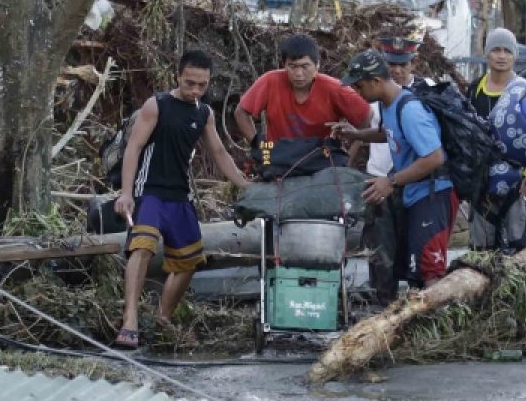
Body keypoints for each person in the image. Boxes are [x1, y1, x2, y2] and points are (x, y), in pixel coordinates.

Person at [113, 50, 251, 349]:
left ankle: (163, 319)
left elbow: (219, 153)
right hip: (148, 190)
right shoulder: (157, 105)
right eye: (190, 83)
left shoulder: (204, 113)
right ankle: (131, 318)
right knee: (143, 247)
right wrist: (126, 193)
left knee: (189, 260)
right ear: (178, 76)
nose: (195, 90)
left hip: (179, 195)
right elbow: (134, 148)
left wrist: (244, 184)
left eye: (202, 85)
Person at [332, 50, 458, 288]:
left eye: (359, 86)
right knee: (416, 272)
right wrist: (358, 134)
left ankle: (442, 322)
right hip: (416, 194)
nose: (357, 93)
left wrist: (390, 181)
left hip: (433, 195)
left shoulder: (410, 110)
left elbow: (435, 157)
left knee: (431, 274)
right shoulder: (390, 105)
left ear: (376, 81)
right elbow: (389, 133)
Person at [355, 35, 433, 304]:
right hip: (379, 180)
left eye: (404, 63)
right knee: (380, 251)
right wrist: (355, 136)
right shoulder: (373, 92)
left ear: (414, 63)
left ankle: (417, 310)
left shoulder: (427, 92)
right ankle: (381, 308)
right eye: (392, 64)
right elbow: (380, 130)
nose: (398, 70)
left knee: (416, 251)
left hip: (415, 182)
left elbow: (434, 152)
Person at [466, 28, 526, 252]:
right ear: (487, 53)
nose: (501, 56)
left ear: (514, 55)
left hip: (520, 184)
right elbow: (466, 134)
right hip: (483, 183)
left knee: (522, 254)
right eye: (496, 50)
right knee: (482, 253)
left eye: (507, 51)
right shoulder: (475, 89)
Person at [235, 34, 370, 144]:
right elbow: (241, 112)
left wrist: (350, 155)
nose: (298, 73)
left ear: (317, 65)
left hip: (321, 157)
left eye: (305, 66)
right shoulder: (270, 81)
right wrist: (257, 143)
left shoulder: (335, 88)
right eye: (292, 66)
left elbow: (366, 115)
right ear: (284, 65)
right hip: (278, 156)